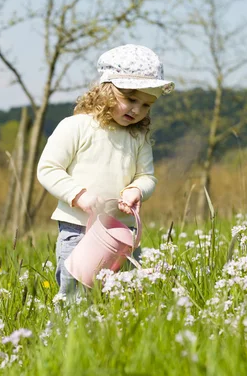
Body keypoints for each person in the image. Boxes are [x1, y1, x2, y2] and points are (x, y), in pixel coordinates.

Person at [37, 44, 175, 295]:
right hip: (78, 227)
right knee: (75, 293)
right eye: (131, 99)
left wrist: (136, 190)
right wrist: (79, 195)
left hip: (122, 232)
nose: (137, 110)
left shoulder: (137, 136)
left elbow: (147, 176)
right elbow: (49, 168)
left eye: (146, 104)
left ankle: (113, 334)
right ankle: (67, 334)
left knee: (123, 293)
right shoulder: (76, 127)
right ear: (106, 91)